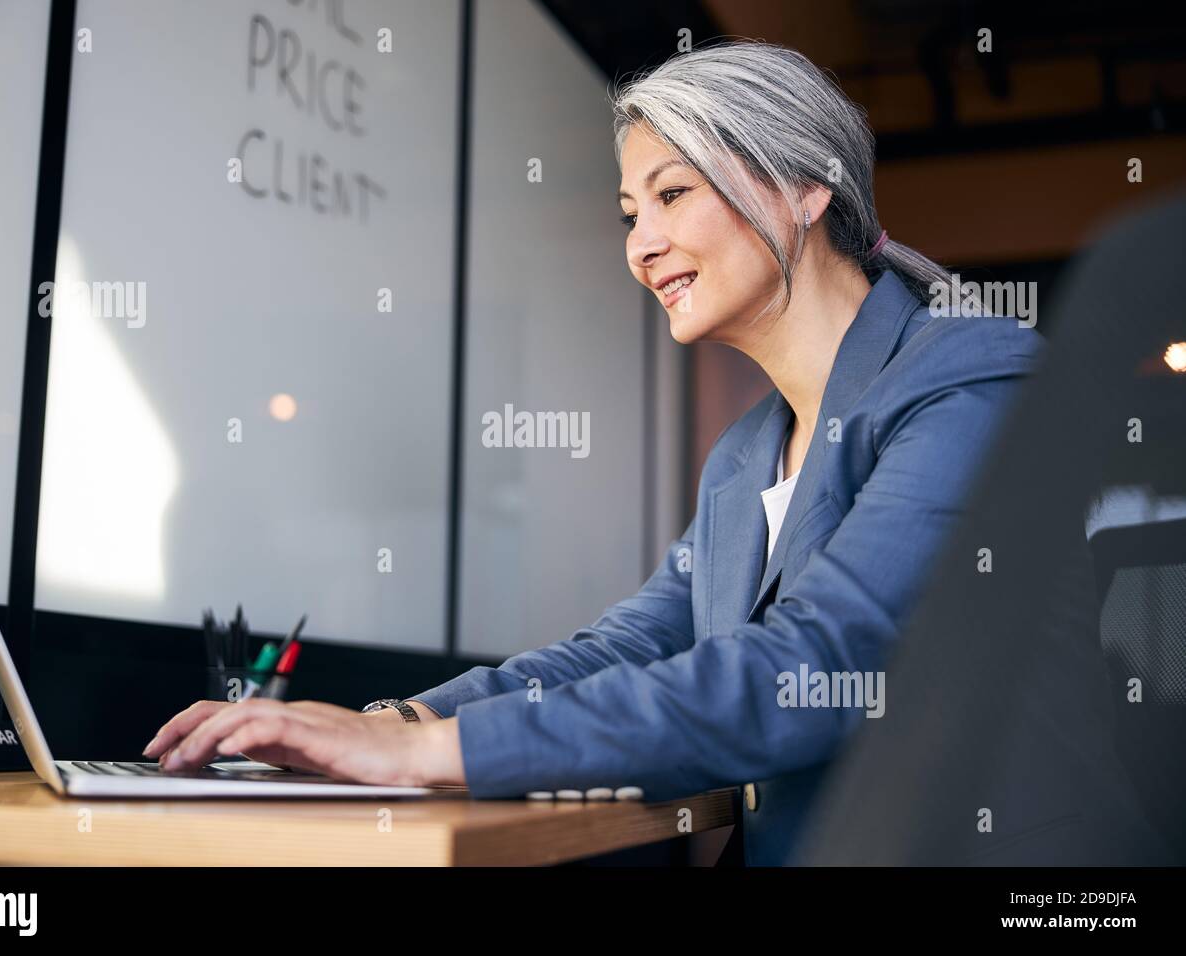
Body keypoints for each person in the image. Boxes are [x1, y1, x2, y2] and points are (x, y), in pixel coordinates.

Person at [143, 40, 1042, 865]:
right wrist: (397, 721)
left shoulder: (970, 376)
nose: (641, 246)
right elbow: (628, 646)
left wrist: (426, 754)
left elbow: (821, 666)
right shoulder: (745, 456)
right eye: (628, 212)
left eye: (672, 193)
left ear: (808, 186)